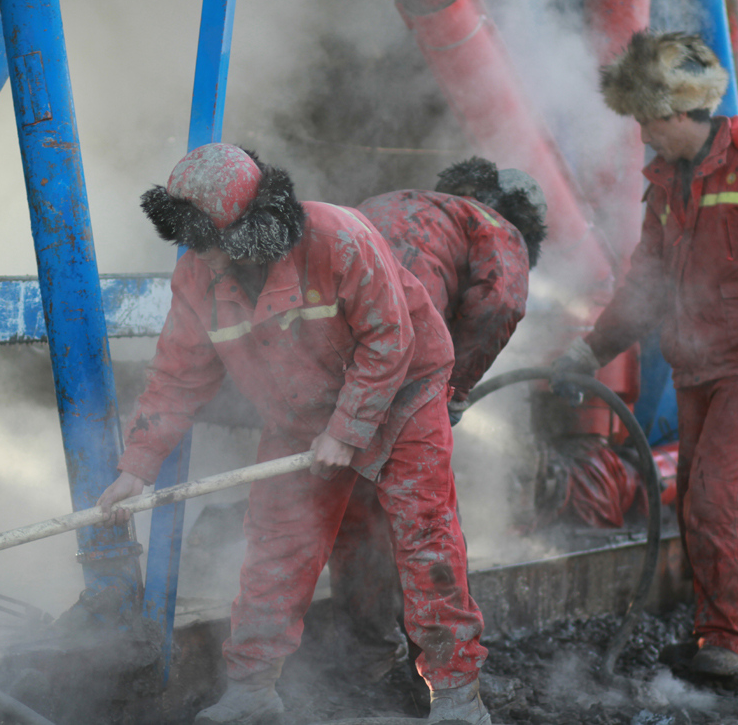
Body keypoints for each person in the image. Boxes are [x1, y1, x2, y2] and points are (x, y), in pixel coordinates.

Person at [97, 143, 493, 724]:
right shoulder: (197, 274)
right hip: (299, 414)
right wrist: (137, 466)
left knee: (424, 538)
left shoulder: (339, 237)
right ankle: (253, 689)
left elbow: (390, 339)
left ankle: (458, 696)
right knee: (276, 545)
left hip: (402, 396)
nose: (196, 256)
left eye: (203, 241)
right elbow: (178, 374)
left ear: (247, 231)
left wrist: (347, 429)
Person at [551, 30, 738, 677]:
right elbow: (645, 286)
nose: (641, 132)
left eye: (646, 119)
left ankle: (731, 641)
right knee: (702, 498)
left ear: (677, 112)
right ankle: (723, 637)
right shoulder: (667, 187)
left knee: (716, 495)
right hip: (700, 366)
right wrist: (589, 354)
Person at [327, 158, 548, 684]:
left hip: (335, 354)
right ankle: (442, 676)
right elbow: (500, 304)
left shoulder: (396, 203)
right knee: (423, 515)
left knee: (356, 504)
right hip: (400, 357)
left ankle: (369, 654)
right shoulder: (499, 228)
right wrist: (455, 389)